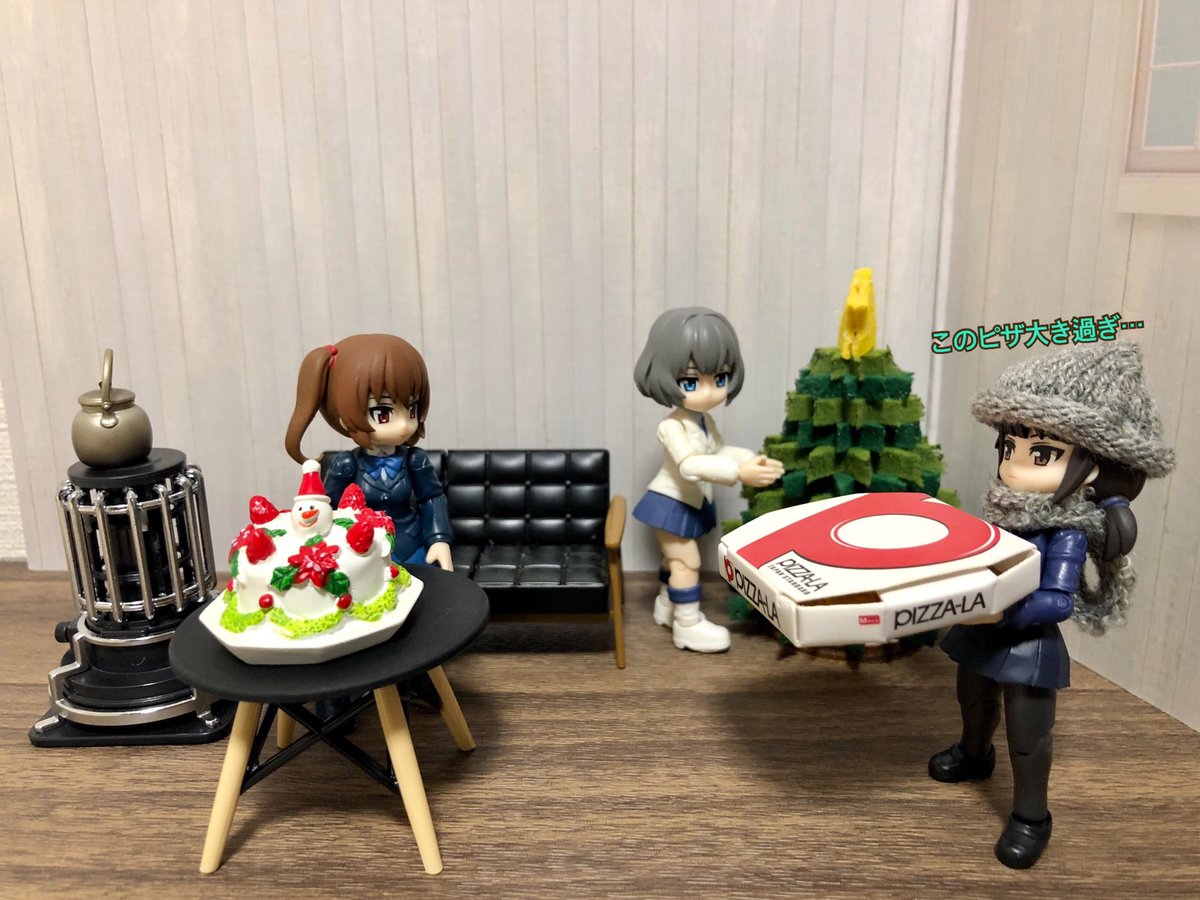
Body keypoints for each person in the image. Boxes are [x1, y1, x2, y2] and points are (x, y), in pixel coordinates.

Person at [929, 342, 1174, 869]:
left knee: (1028, 735)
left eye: (1041, 454)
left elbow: (1058, 599)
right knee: (972, 698)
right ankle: (974, 753)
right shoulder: (1003, 509)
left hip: (1027, 640)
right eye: (1009, 447)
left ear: (1094, 466)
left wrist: (1001, 611)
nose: (1015, 466)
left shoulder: (1067, 530)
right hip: (983, 625)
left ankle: (1030, 817)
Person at [633, 308, 784, 652]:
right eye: (691, 382)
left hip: (690, 502)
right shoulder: (671, 426)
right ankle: (687, 623)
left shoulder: (703, 421)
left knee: (675, 559)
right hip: (669, 504)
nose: (709, 392)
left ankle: (666, 605)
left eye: (720, 378)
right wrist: (738, 473)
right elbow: (689, 465)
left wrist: (748, 459)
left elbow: (717, 450)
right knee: (687, 562)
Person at [285, 334, 453, 570]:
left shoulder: (414, 460)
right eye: (382, 413)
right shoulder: (346, 465)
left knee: (425, 587)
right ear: (344, 415)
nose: (404, 425)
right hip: (363, 549)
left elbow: (432, 498)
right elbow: (329, 507)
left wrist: (438, 539)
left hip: (410, 543)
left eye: (412, 409)